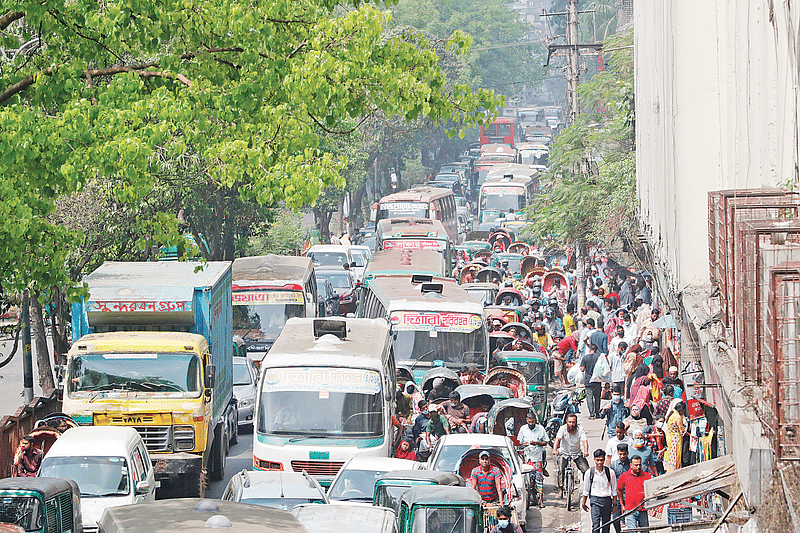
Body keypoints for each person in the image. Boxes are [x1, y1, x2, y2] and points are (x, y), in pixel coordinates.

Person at [581, 448, 618, 533]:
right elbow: (586, 489)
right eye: (598, 460)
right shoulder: (589, 472)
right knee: (596, 526)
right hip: (595, 501)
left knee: (606, 525)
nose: (600, 462)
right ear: (594, 459)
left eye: (601, 460)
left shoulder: (610, 472)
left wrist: (615, 504)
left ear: (604, 460)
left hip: (607, 501)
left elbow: (614, 490)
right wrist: (583, 503)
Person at [552, 413, 589, 498]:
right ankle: (560, 490)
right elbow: (557, 440)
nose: (571, 424)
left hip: (576, 453)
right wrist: (555, 450)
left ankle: (587, 489)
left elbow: (584, 441)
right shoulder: (563, 429)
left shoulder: (580, 429)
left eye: (573, 422)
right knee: (561, 469)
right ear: (566, 422)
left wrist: (586, 451)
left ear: (576, 422)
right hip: (564, 452)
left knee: (586, 471)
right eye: (570, 422)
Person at [517, 412, 549, 508]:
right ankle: (534, 497)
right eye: (529, 422)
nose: (531, 423)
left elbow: (545, 442)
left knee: (539, 478)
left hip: (537, 458)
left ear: (535, 420)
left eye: (532, 422)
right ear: (527, 420)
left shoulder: (540, 429)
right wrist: (524, 444)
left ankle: (541, 500)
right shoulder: (523, 429)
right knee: (530, 480)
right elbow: (520, 442)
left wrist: (537, 443)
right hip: (527, 458)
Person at [617, 455, 652, 529]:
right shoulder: (624, 476)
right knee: (632, 531)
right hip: (630, 509)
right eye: (636, 465)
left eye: (640, 465)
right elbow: (619, 489)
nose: (638, 467)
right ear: (631, 465)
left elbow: (651, 491)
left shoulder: (647, 476)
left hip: (643, 509)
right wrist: (622, 505)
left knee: (645, 530)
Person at [609, 443, 631, 533]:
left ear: (627, 453)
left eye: (624, 454)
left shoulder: (631, 465)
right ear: (618, 453)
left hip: (630, 495)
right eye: (620, 454)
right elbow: (610, 480)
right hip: (617, 495)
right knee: (615, 518)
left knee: (631, 517)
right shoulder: (613, 464)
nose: (622, 456)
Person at [664, 402, 687, 472]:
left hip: (670, 438)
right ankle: (675, 470)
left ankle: (669, 468)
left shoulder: (672, 415)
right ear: (681, 410)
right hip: (676, 439)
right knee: (676, 455)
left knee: (671, 454)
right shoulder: (677, 417)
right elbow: (681, 430)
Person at [581, 344, 602, 419]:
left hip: (588, 380)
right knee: (597, 397)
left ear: (590, 350)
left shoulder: (585, 357)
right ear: (596, 350)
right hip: (597, 380)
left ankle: (591, 414)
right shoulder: (599, 357)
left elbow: (582, 369)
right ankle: (597, 413)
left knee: (589, 397)